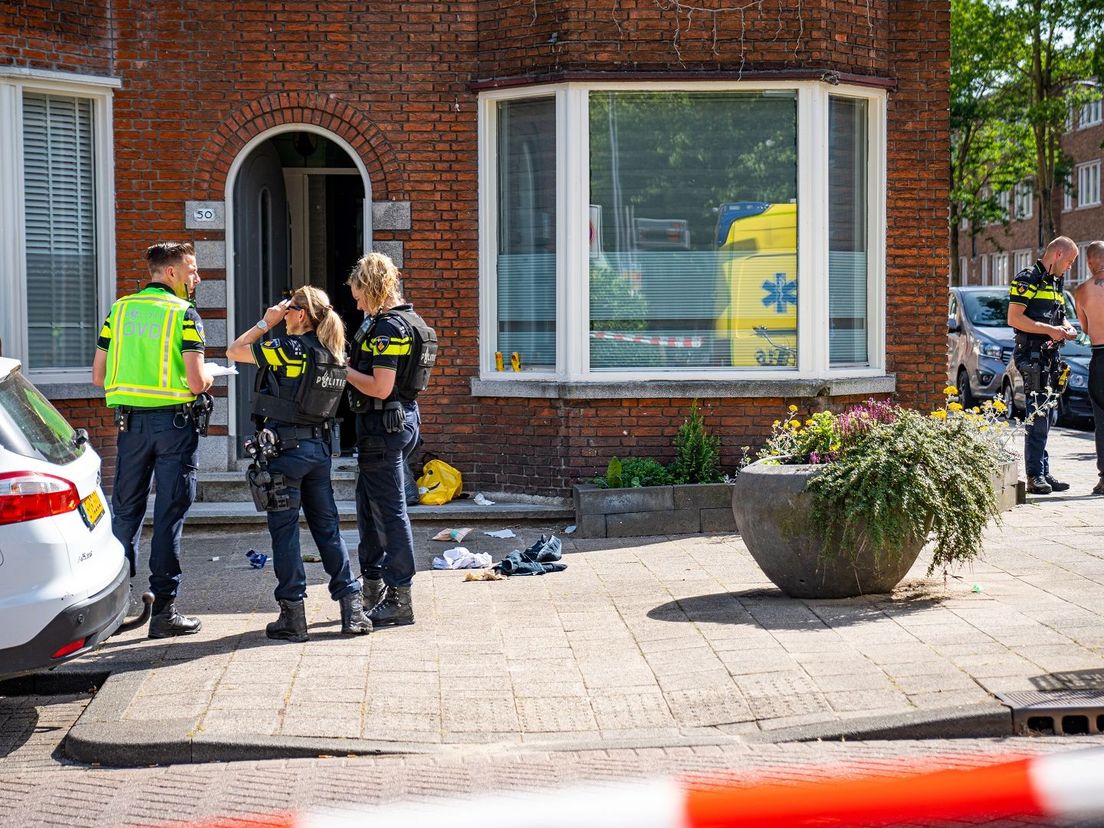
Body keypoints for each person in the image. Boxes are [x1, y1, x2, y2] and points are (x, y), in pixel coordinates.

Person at [225, 286, 370, 641]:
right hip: (319, 453)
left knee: (285, 533)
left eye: (289, 308)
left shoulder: (289, 349)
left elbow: (234, 351)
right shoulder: (334, 353)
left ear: (302, 314)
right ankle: (352, 611)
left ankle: (293, 616)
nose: (284, 313)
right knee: (328, 530)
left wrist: (265, 321)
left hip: (285, 455)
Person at [92, 242, 213, 638]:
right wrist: (209, 378)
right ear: (172, 273)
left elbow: (99, 376)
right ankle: (163, 611)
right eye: (192, 270)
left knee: (125, 515)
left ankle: (113, 608)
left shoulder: (119, 311)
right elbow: (196, 381)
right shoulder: (184, 314)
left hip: (130, 428)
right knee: (167, 517)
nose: (197, 279)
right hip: (174, 428)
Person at [345, 253, 424, 627]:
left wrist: (342, 370)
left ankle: (399, 597)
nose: (356, 302)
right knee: (368, 506)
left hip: (384, 427)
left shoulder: (388, 329)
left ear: (374, 287)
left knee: (390, 513)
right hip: (398, 421)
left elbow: (380, 385)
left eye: (359, 294)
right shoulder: (409, 320)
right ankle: (374, 585)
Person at [1007, 236, 1080, 495]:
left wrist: (1067, 327)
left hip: (1050, 356)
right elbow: (1014, 318)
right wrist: (1052, 330)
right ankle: (1034, 474)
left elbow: (1059, 316)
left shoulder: (1054, 282)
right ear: (1058, 254)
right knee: (1037, 414)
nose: (1070, 266)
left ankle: (1043, 469)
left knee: (1049, 414)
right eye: (1070, 261)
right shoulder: (1028, 279)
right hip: (1032, 354)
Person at [1073, 240, 1104, 496]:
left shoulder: (1082, 290)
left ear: (1091, 261)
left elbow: (1084, 329)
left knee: (1101, 420)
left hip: (1100, 357)